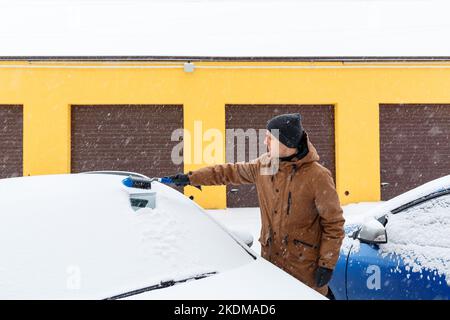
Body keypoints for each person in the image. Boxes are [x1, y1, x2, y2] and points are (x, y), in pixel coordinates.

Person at [166, 113, 345, 296]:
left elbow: (334, 224)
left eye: (270, 138)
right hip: (271, 267)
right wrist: (191, 178)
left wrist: (326, 264)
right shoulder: (264, 166)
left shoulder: (317, 176)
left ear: (287, 143)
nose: (265, 142)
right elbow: (228, 172)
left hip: (304, 270)